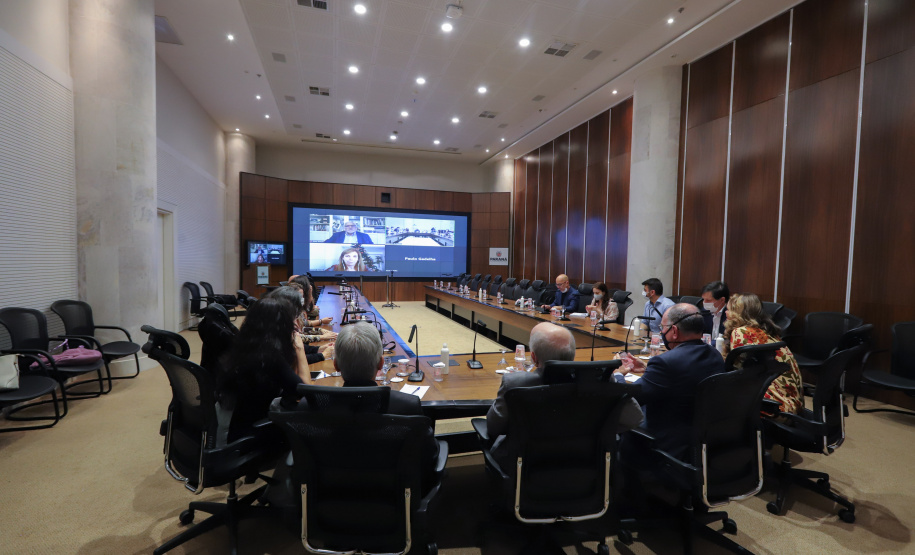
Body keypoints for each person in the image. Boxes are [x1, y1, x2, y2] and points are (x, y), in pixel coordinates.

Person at [487, 322, 643, 467]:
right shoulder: (600, 382)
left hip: (527, 465)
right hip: (586, 465)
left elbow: (494, 426)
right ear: (573, 355)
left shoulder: (515, 384)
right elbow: (635, 418)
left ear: (533, 358)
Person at [613, 303, 725, 461]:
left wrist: (618, 375)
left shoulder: (665, 363)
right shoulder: (714, 354)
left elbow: (632, 398)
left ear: (674, 331)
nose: (661, 331)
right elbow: (684, 376)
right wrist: (647, 368)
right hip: (703, 437)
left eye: (662, 327)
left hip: (667, 440)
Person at [220, 297, 309, 440]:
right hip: (257, 437)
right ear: (280, 325)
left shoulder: (248, 347)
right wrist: (299, 349)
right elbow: (304, 391)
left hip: (240, 430)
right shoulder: (270, 357)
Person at [724, 293, 803, 415]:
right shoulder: (769, 332)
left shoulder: (741, 332)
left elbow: (736, 373)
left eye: (728, 310)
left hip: (772, 406)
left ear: (736, 313)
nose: (726, 313)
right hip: (792, 405)